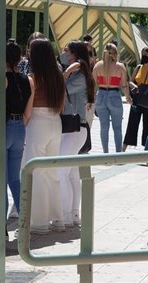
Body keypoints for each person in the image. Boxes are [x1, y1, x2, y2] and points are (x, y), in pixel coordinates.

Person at [22, 38, 66, 234]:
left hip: (37, 123)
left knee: (34, 172)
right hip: (55, 122)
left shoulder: (33, 78)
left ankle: (38, 222)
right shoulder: (58, 77)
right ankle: (58, 219)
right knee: (50, 172)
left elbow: (29, 109)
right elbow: (62, 105)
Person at [59, 41, 95, 226]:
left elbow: (62, 90)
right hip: (74, 128)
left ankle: (65, 215)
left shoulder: (79, 75)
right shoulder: (80, 72)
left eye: (66, 51)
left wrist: (65, 73)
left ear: (74, 54)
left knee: (61, 172)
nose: (63, 53)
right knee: (72, 173)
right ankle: (73, 214)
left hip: (74, 128)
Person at [5, 40, 31, 220]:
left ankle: (2, 224)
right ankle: (24, 220)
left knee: (0, 180)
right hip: (20, 128)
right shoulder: (27, 79)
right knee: (15, 178)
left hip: (4, 127)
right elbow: (28, 113)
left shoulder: (2, 78)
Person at [93, 43, 133, 152]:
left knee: (104, 127)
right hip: (114, 95)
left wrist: (91, 98)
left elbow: (94, 85)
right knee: (117, 128)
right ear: (115, 53)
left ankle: (105, 153)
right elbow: (124, 85)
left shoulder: (98, 65)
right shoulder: (120, 66)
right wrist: (128, 97)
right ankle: (118, 154)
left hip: (101, 95)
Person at [122, 47, 148, 151]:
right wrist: (133, 86)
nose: (143, 56)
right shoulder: (138, 67)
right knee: (132, 123)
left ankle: (147, 147)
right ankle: (124, 147)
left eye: (146, 54)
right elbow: (131, 81)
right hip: (137, 97)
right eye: (142, 54)